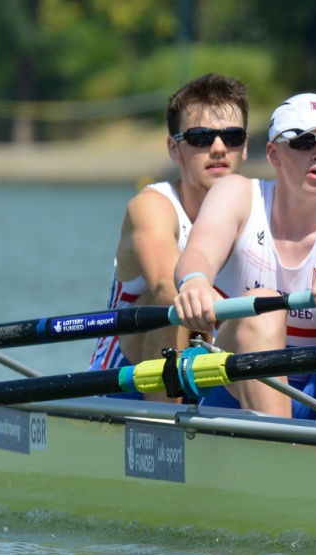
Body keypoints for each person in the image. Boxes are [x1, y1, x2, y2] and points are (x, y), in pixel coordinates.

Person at [172, 93, 316, 418]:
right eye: (304, 142)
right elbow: (200, 250)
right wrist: (194, 281)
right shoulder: (237, 194)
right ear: (273, 153)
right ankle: (284, 453)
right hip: (233, 382)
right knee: (261, 308)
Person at [88, 73, 250, 402]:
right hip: (126, 381)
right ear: (174, 149)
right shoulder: (152, 207)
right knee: (174, 303)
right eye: (202, 137)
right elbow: (169, 285)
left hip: (208, 364)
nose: (219, 148)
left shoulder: (260, 204)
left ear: (244, 147)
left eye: (231, 136)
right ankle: (164, 431)